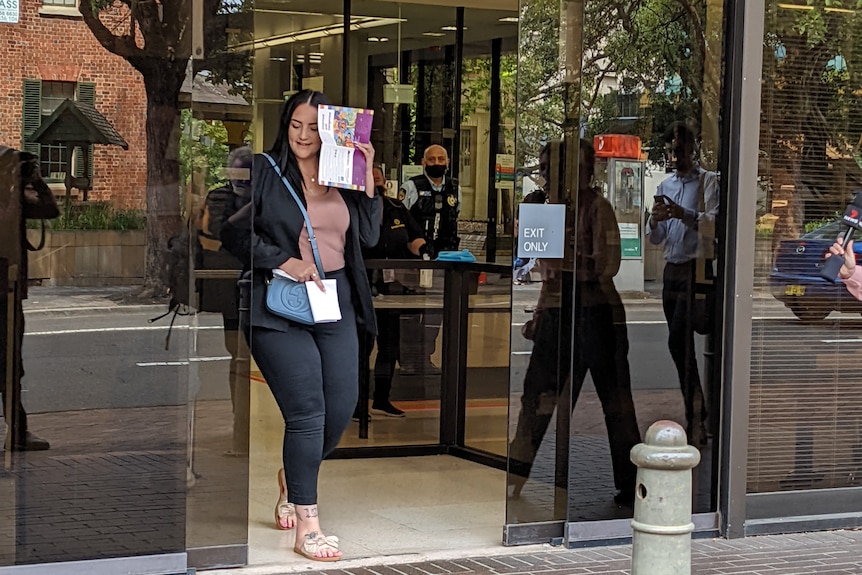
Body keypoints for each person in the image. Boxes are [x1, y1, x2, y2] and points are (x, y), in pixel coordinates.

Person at [237, 90, 380, 561]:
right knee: (307, 412)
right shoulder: (263, 169)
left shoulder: (342, 176)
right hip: (278, 304)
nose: (303, 135)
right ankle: (308, 525)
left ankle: (290, 478)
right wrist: (284, 261)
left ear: (330, 132)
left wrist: (368, 179)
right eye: (296, 125)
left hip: (333, 302)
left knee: (341, 407)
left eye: (314, 128)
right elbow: (233, 232)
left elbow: (368, 236)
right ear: (285, 125)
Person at [508, 140, 641, 506]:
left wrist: (570, 261)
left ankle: (631, 485)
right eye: (544, 168)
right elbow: (550, 276)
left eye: (554, 168)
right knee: (535, 400)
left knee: (615, 403)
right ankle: (514, 478)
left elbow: (606, 266)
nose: (547, 176)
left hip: (596, 313)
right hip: (556, 312)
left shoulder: (597, 208)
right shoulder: (550, 211)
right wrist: (539, 312)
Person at [646, 121, 719, 446]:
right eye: (672, 150)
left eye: (681, 149)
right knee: (678, 344)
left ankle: (698, 414)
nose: (676, 156)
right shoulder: (665, 185)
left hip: (696, 269)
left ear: (693, 149)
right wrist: (655, 219)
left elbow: (715, 225)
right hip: (672, 271)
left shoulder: (708, 182)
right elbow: (657, 238)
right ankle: (697, 411)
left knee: (679, 340)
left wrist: (683, 213)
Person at [363, 166, 432, 418]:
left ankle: (382, 398)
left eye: (378, 173)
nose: (375, 175)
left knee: (389, 346)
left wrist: (424, 251)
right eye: (369, 173)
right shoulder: (353, 208)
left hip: (392, 288)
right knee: (362, 347)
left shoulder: (396, 207)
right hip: (363, 287)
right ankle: (358, 404)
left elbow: (415, 238)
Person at [1, 150, 59, 451]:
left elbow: (49, 210)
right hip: (7, 289)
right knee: (10, 364)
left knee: (11, 365)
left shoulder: (13, 193)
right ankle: (19, 432)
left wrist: (30, 177)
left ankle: (19, 430)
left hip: (8, 289)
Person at [398, 145, 460, 374]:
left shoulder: (454, 188)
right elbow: (400, 219)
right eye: (432, 159)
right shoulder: (411, 187)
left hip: (444, 260)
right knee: (411, 313)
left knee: (436, 312)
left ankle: (425, 357)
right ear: (423, 162)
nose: (437, 162)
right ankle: (408, 360)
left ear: (448, 161)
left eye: (441, 158)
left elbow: (454, 218)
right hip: (415, 261)